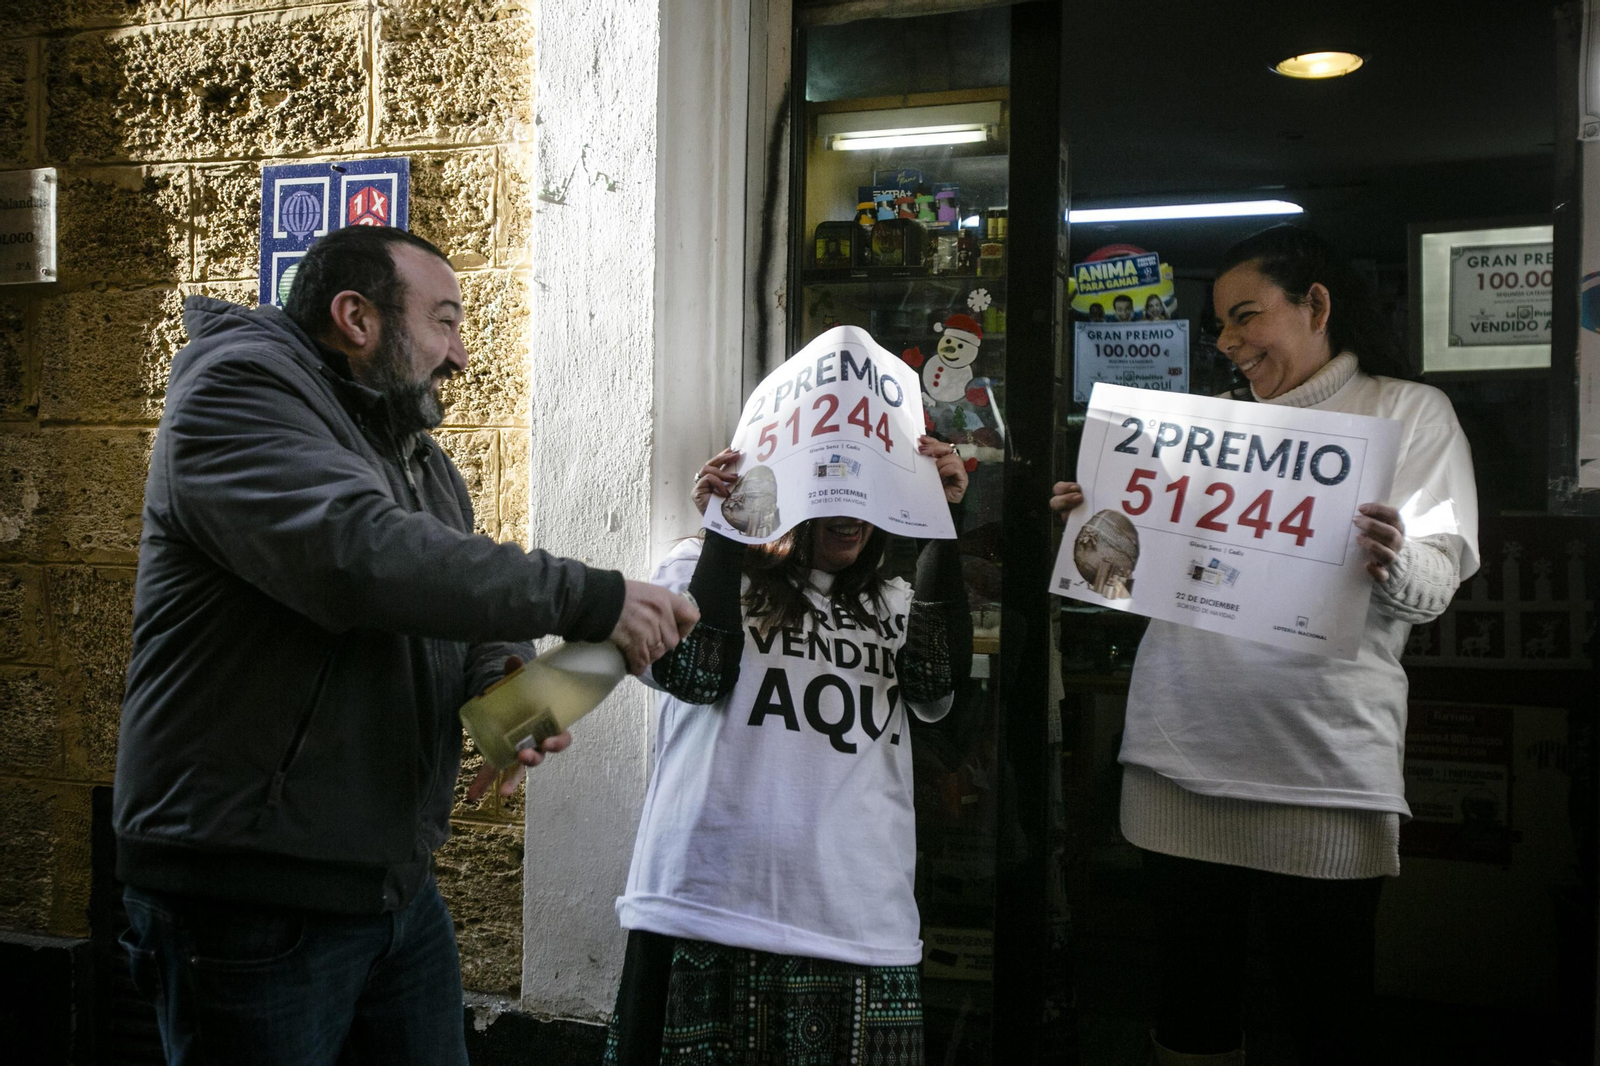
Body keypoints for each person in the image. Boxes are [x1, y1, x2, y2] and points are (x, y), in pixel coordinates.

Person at [114, 225, 697, 1066]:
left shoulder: (421, 462)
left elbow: (452, 604)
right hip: (248, 896)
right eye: (446, 322)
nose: (461, 355)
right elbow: (359, 556)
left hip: (389, 887)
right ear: (357, 316)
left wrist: (509, 680)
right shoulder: (234, 390)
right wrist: (594, 598)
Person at [1050, 225, 1478, 1066]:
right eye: (1220, 325)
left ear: (1317, 307)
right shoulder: (1197, 433)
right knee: (1188, 1010)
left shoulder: (1405, 412)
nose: (1228, 343)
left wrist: (1393, 558)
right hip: (1181, 756)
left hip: (1322, 769)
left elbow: (1435, 586)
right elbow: (1129, 591)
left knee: (1327, 1013)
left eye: (1246, 316)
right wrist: (1090, 535)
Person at [603, 438, 972, 1065]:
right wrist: (725, 529)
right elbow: (699, 674)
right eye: (830, 477)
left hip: (858, 922)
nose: (852, 506)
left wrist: (940, 522)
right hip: (708, 910)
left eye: (868, 483)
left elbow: (938, 684)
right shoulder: (697, 567)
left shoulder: (894, 601)